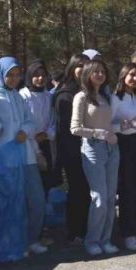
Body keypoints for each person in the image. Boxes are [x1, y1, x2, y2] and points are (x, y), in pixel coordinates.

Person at [0, 57, 48, 255]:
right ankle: (13, 243)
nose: (13, 79)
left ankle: (31, 239)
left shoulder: (18, 96)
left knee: (36, 201)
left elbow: (29, 122)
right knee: (12, 203)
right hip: (6, 159)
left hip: (26, 155)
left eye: (17, 74)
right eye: (9, 75)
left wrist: (25, 132)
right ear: (1, 74)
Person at [70, 60, 121, 256]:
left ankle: (105, 239)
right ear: (88, 74)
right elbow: (75, 128)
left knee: (110, 197)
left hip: (112, 148)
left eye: (102, 71)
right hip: (92, 149)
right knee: (98, 197)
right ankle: (92, 241)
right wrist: (100, 134)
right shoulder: (81, 97)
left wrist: (121, 125)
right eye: (95, 71)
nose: (99, 74)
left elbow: (110, 123)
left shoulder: (106, 96)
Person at [53, 54, 91, 244]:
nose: (83, 69)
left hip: (90, 149)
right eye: (79, 66)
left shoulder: (89, 90)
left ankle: (87, 229)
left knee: (88, 190)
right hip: (73, 150)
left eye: (87, 66)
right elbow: (67, 129)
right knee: (78, 191)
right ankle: (76, 231)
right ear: (72, 68)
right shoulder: (65, 94)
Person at [114, 63, 136, 252]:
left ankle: (135, 227)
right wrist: (126, 125)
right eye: (131, 75)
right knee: (127, 190)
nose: (134, 78)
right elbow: (109, 124)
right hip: (123, 145)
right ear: (123, 75)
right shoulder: (115, 98)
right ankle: (127, 233)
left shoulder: (135, 97)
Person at [20, 60, 57, 193]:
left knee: (46, 181)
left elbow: (53, 121)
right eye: (36, 75)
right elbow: (20, 121)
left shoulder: (49, 96)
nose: (40, 78)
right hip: (28, 144)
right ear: (29, 76)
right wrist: (32, 137)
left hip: (46, 143)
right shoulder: (22, 96)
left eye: (43, 75)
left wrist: (46, 134)